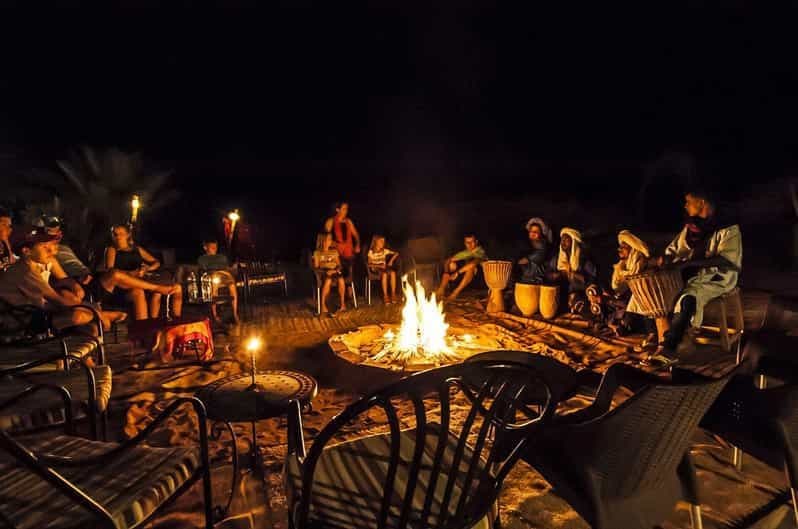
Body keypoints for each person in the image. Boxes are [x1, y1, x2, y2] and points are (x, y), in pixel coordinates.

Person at [648, 190, 742, 366]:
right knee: (662, 289)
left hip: (719, 277)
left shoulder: (728, 228)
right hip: (695, 275)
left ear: (702, 202)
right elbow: (676, 249)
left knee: (689, 298)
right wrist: (664, 259)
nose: (685, 205)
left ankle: (670, 347)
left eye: (688, 201)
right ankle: (666, 335)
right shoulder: (692, 227)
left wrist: (689, 263)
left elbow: (727, 260)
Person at [0, 227, 127, 336]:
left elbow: (60, 287)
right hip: (21, 322)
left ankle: (87, 361)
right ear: (26, 251)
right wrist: (96, 311)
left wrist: (76, 293)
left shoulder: (32, 265)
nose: (51, 250)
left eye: (51, 245)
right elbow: (57, 300)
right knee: (79, 316)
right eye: (45, 247)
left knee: (91, 328)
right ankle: (105, 315)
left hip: (34, 314)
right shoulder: (25, 271)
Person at [104, 224, 183, 319]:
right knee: (139, 291)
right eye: (115, 234)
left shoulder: (137, 249)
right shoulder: (111, 250)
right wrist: (132, 273)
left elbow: (156, 262)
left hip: (143, 280)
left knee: (177, 287)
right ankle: (144, 326)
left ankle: (176, 321)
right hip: (125, 286)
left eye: (121, 234)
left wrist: (147, 269)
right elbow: (111, 271)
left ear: (128, 235)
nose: (118, 237)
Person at [601, 230, 654, 339]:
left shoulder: (640, 263)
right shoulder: (621, 265)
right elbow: (618, 288)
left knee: (628, 308)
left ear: (632, 248)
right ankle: (615, 324)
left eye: (623, 247)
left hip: (638, 299)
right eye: (619, 246)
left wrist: (614, 296)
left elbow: (632, 286)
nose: (619, 249)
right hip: (623, 299)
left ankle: (623, 326)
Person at [547, 227, 597, 315]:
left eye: (566, 240)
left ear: (573, 242)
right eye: (562, 240)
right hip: (562, 294)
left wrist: (572, 274)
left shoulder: (583, 258)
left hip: (581, 293)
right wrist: (557, 275)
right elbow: (548, 274)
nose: (563, 243)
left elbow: (592, 279)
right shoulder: (557, 259)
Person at [197, 238, 239, 324]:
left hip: (223, 274)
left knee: (232, 284)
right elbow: (203, 270)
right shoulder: (202, 258)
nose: (214, 249)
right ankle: (214, 315)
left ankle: (235, 314)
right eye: (211, 247)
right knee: (214, 283)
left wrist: (233, 268)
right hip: (212, 275)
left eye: (215, 247)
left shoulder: (221, 257)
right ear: (205, 247)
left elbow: (226, 268)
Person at [435, 234, 487, 301]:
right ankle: (441, 289)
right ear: (464, 243)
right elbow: (448, 260)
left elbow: (473, 263)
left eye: (472, 242)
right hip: (470, 279)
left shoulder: (481, 251)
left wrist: (457, 273)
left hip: (483, 280)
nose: (470, 244)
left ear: (476, 242)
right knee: (451, 264)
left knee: (471, 268)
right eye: (467, 242)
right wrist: (446, 272)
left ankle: (455, 293)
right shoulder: (466, 252)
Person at [323, 202, 361, 285]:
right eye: (344, 209)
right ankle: (340, 288)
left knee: (351, 269)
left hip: (348, 249)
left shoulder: (348, 221)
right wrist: (332, 244)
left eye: (347, 209)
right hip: (336, 251)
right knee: (339, 269)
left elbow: (356, 234)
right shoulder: (331, 221)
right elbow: (325, 237)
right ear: (337, 210)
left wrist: (358, 244)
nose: (346, 211)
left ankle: (350, 289)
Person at [312, 232, 346, 316]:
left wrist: (336, 269)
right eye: (328, 239)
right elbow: (316, 267)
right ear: (322, 241)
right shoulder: (317, 253)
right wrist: (325, 271)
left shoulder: (334, 251)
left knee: (341, 280)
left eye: (330, 239)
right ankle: (323, 304)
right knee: (328, 280)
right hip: (324, 272)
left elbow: (339, 265)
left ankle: (342, 304)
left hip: (334, 270)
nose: (330, 241)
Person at [517, 217, 553, 284]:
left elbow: (523, 261)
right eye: (531, 231)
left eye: (535, 232)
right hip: (527, 279)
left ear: (542, 233)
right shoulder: (528, 245)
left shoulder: (543, 248)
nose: (532, 234)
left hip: (537, 281)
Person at [367, 235, 400, 304]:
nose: (382, 243)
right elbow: (369, 264)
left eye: (383, 242)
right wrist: (378, 265)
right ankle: (385, 296)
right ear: (376, 242)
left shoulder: (384, 251)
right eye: (381, 241)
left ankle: (393, 295)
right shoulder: (371, 252)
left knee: (393, 273)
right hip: (375, 269)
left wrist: (391, 260)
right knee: (384, 274)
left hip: (384, 268)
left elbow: (396, 253)